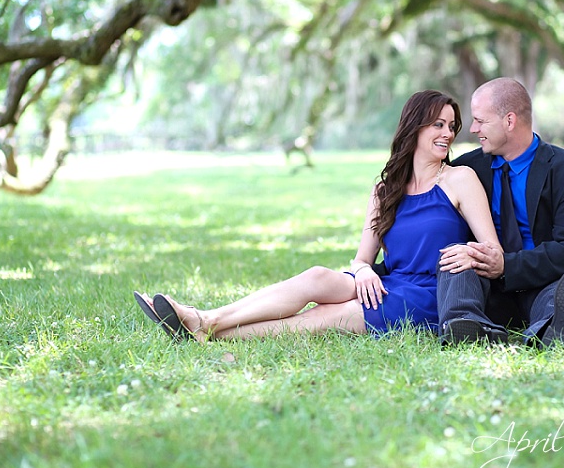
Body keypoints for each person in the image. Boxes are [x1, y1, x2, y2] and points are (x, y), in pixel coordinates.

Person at [132, 89, 501, 342]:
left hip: (431, 295)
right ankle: (204, 322)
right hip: (388, 281)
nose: (448, 133)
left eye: (452, 126)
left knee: (325, 317)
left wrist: (472, 252)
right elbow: (361, 258)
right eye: (438, 124)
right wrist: (365, 270)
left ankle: (205, 323)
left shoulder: (460, 179)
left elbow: (494, 253)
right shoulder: (385, 190)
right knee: (316, 278)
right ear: (414, 127)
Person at [437, 77, 564, 348]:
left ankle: (557, 327)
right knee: (456, 259)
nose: (473, 129)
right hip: (487, 287)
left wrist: (507, 266)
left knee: (563, 288)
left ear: (509, 121)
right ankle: (466, 325)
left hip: (545, 279)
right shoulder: (466, 170)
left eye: (481, 121)